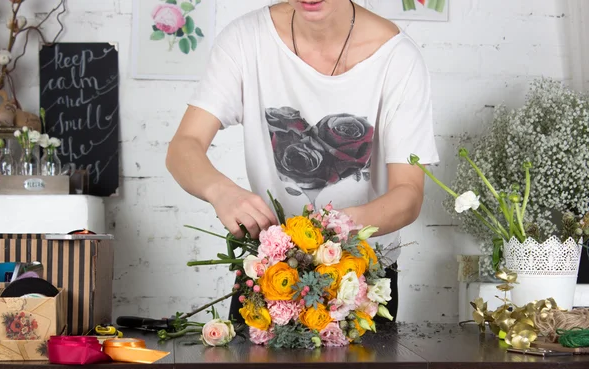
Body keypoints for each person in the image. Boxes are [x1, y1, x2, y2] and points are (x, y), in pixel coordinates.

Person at [166, 0, 439, 324]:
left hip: (359, 276)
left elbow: (408, 193)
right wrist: (221, 191)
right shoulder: (244, 39)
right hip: (272, 269)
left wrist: (337, 229)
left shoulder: (398, 57)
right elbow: (184, 146)